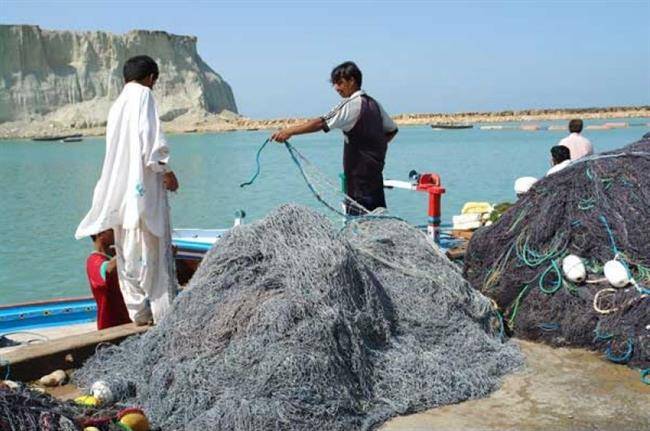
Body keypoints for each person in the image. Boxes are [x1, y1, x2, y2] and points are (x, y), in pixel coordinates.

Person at [75, 55, 179, 325]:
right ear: (151, 78)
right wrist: (166, 171)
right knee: (156, 262)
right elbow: (151, 141)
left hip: (120, 195)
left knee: (127, 256)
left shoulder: (117, 104)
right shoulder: (144, 96)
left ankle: (139, 317)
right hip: (144, 189)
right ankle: (165, 322)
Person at [271, 61, 398, 215]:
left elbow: (320, 123)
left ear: (352, 81)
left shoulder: (349, 105)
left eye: (339, 83)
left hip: (358, 182)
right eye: (334, 84)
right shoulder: (374, 104)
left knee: (360, 223)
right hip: (375, 177)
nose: (336, 88)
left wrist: (289, 131)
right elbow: (392, 130)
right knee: (377, 220)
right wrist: (375, 149)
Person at [86, 229, 131, 330]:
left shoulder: (109, 256)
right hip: (113, 325)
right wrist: (130, 249)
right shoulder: (95, 261)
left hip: (126, 320)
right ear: (100, 235)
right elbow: (109, 270)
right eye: (111, 229)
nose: (117, 231)